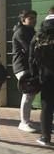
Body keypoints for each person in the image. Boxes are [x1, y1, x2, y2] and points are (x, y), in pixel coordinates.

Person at [30, 8, 54, 146]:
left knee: (46, 107)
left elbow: (31, 59)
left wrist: (34, 76)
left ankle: (45, 137)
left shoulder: (38, 37)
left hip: (45, 77)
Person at [12, 10, 38, 132]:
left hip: (29, 66)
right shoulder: (21, 32)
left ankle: (26, 120)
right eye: (30, 18)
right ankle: (24, 122)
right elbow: (29, 49)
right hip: (22, 66)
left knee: (30, 94)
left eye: (34, 18)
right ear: (23, 20)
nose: (33, 20)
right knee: (28, 94)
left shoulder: (31, 31)